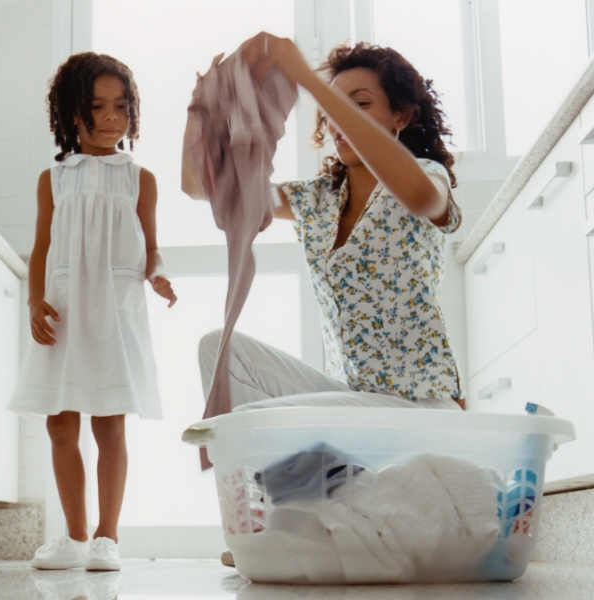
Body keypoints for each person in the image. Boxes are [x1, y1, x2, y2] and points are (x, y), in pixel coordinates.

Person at [200, 36, 465, 566]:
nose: (339, 118)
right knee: (221, 350)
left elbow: (418, 195)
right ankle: (281, 518)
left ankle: (290, 525)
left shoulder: (426, 179)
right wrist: (215, 110)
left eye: (359, 103)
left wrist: (305, 74)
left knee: (286, 420)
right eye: (332, 108)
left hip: (420, 409)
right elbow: (215, 189)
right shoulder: (320, 202)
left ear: (401, 115)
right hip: (355, 408)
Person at [9, 52, 176, 572]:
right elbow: (40, 249)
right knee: (61, 426)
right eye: (97, 107)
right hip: (63, 310)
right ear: (69, 114)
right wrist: (36, 300)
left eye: (121, 106)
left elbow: (151, 246)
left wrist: (159, 274)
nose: (110, 118)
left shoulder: (139, 179)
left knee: (109, 427)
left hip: (114, 312)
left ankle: (108, 537)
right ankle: (74, 536)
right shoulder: (53, 179)